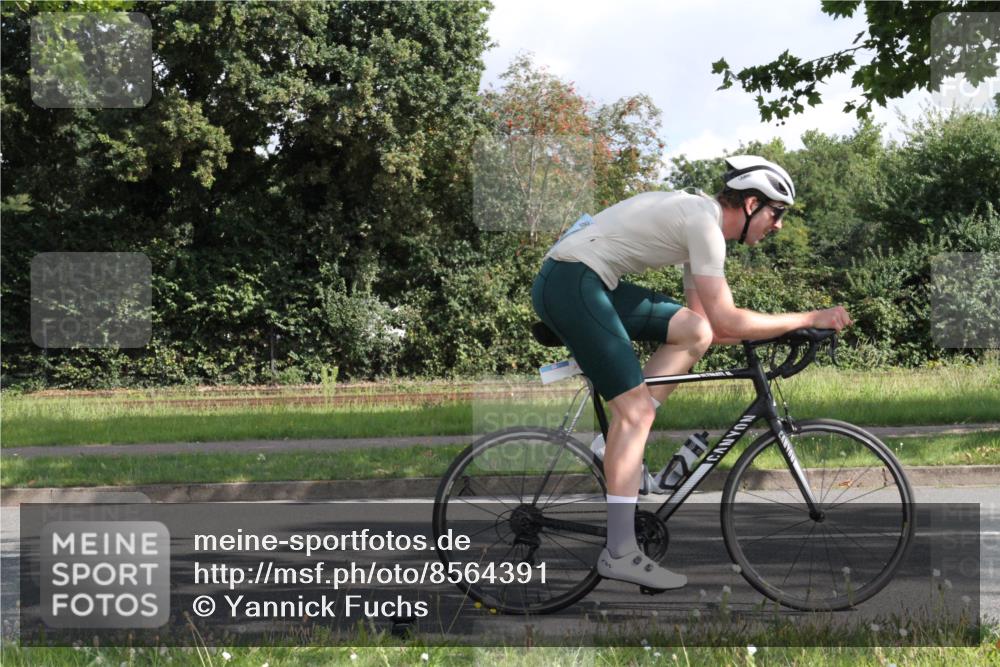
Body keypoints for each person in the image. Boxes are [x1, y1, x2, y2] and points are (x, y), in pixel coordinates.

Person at [530, 155, 852, 590]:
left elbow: (710, 329)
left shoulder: (699, 224)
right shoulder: (704, 225)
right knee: (636, 414)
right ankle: (620, 551)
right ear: (752, 204)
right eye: (776, 213)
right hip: (572, 282)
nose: (778, 225)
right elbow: (729, 319)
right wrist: (808, 317)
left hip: (582, 280)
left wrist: (787, 331)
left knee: (691, 331)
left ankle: (615, 445)